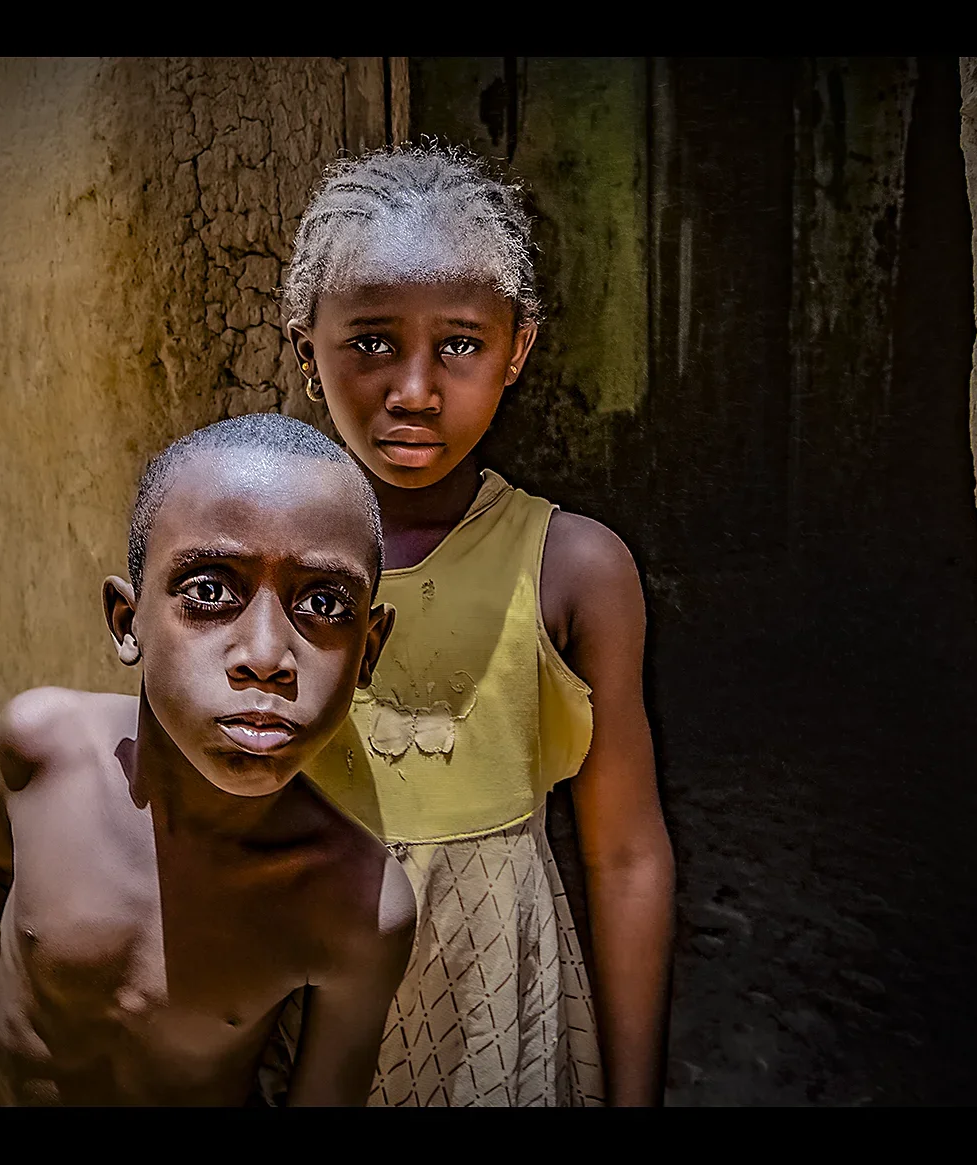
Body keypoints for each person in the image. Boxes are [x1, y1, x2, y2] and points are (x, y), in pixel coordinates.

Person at [0, 414, 418, 1106]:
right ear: (127, 619)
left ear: (369, 649)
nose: (266, 655)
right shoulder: (44, 748)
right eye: (209, 590)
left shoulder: (355, 904)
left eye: (324, 602)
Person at [273, 143, 679, 1107]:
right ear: (305, 346)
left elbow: (624, 854)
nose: (413, 389)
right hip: (289, 1004)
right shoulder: (253, 558)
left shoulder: (572, 568)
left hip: (496, 1024)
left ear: (518, 347)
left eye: (459, 343)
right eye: (370, 341)